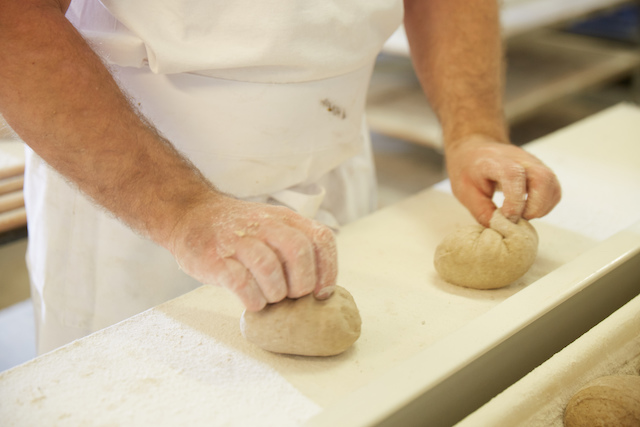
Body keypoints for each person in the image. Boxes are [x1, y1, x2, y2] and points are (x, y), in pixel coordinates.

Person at [0, 0, 561, 354]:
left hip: (336, 159)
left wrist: (474, 130)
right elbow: (14, 22)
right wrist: (183, 211)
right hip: (139, 201)